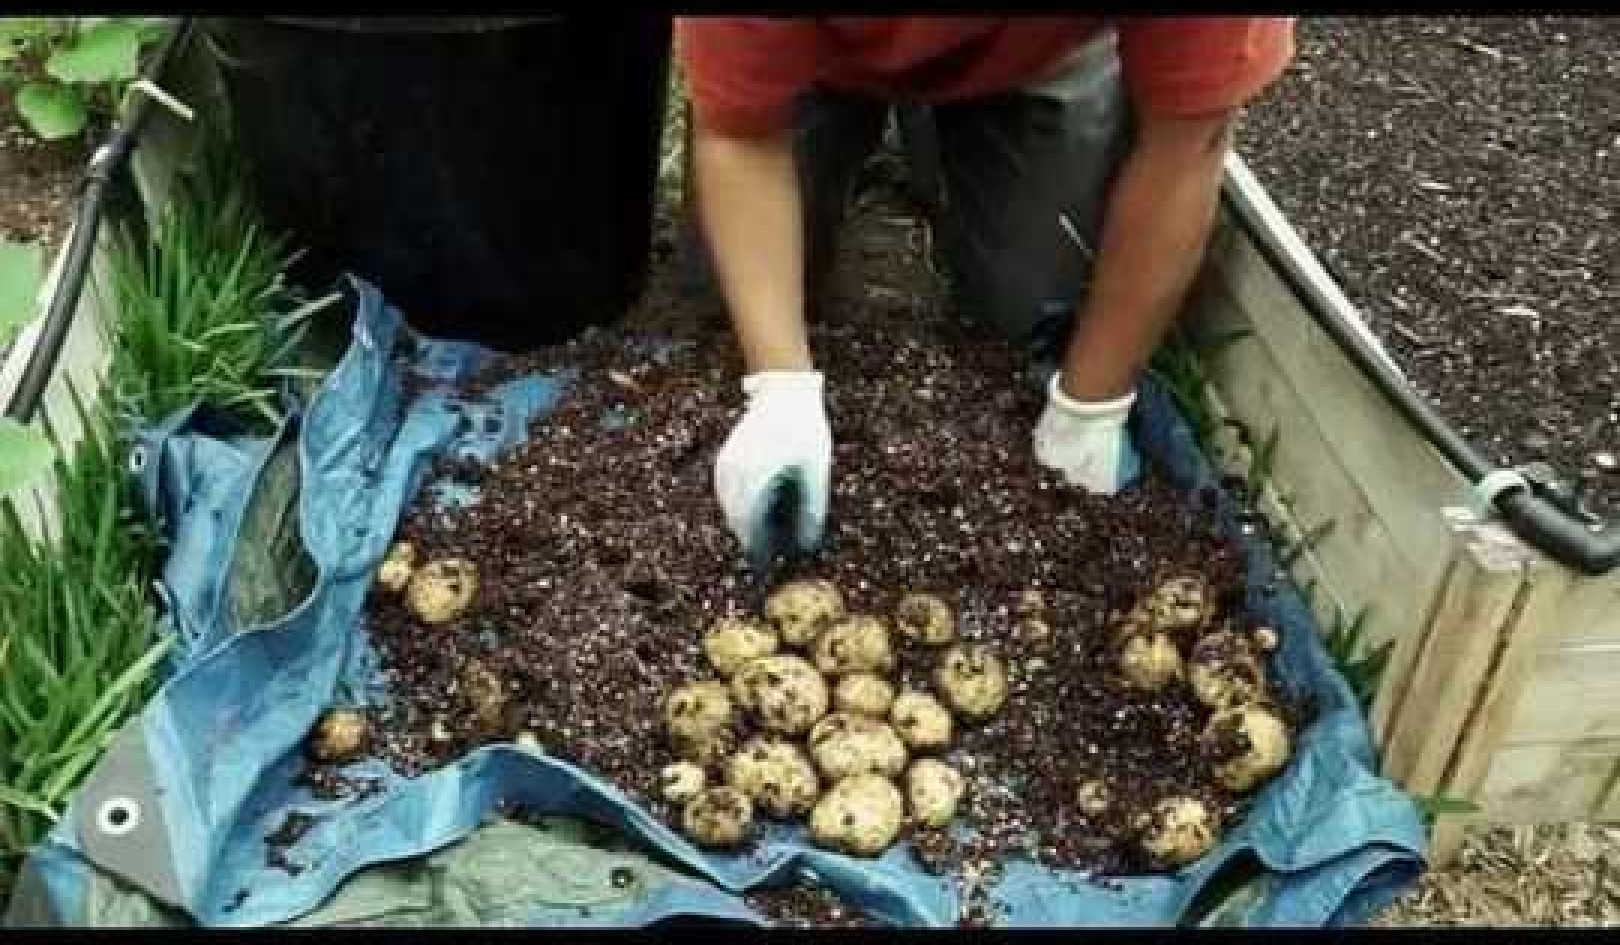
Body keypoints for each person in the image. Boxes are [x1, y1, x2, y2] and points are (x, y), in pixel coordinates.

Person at [677, 16, 1295, 566]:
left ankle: (950, 132)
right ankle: (892, 117)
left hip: (1043, 49)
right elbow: (738, 136)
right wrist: (779, 390)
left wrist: (1090, 408)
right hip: (817, 48)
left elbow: (1188, 143)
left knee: (1028, 323)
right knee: (727, 314)